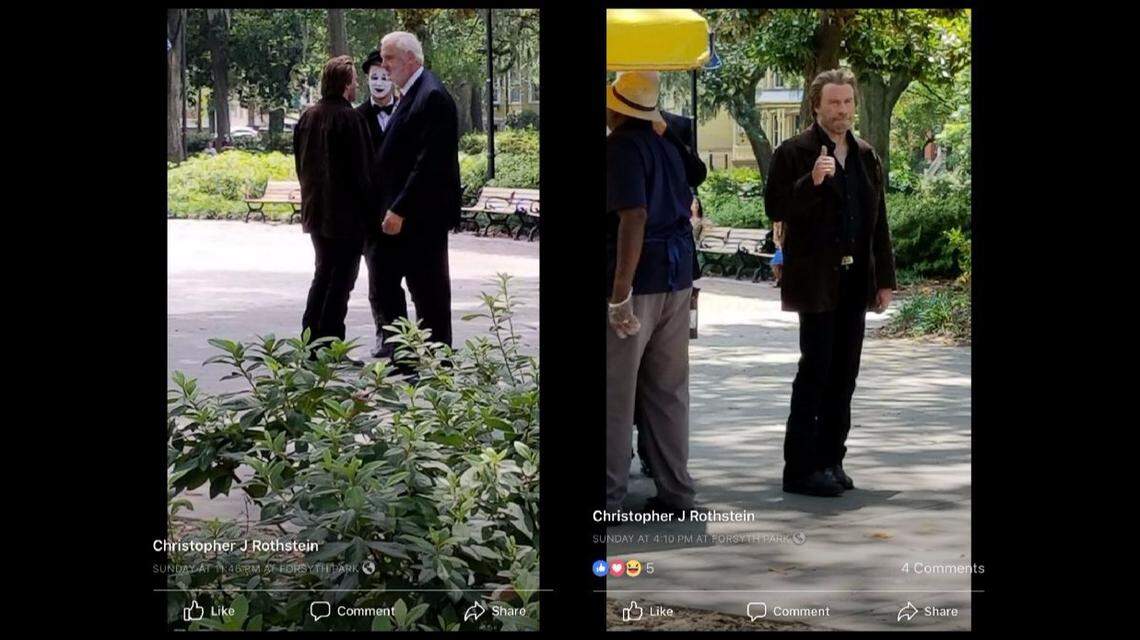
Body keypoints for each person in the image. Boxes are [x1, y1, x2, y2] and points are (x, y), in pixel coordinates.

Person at [764, 68, 897, 497]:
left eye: (848, 103)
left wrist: (884, 280)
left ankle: (831, 459)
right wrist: (812, 182)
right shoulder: (794, 152)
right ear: (816, 106)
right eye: (834, 103)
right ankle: (801, 469)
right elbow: (776, 207)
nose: (842, 110)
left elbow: (879, 223)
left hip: (856, 280)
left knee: (846, 374)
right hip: (816, 279)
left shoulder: (864, 154)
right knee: (816, 371)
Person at [606, 71, 697, 515]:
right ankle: (677, 490)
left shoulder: (620, 148)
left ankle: (608, 496)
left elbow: (634, 215)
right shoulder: (667, 146)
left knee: (615, 391)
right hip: (678, 276)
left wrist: (620, 291)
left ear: (616, 108)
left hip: (640, 281)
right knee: (668, 389)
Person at [370, 31, 461, 351]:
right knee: (388, 281)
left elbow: (429, 164)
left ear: (411, 58)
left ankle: (438, 360)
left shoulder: (431, 95)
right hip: (405, 214)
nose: (384, 64)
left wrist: (400, 209)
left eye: (389, 57)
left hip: (421, 216)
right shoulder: (412, 92)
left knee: (430, 292)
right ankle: (405, 356)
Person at [294, 55, 376, 358]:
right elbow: (362, 172)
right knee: (341, 281)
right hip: (347, 217)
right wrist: (371, 213)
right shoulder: (350, 119)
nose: (357, 86)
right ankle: (329, 345)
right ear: (345, 84)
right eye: (354, 80)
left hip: (316, 212)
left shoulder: (308, 117)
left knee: (322, 274)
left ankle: (309, 340)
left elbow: (300, 165)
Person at [355, 50, 402, 358]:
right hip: (371, 214)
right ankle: (385, 335)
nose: (380, 83)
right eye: (374, 77)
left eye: (385, 76)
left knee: (410, 278)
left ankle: (410, 340)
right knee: (379, 280)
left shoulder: (408, 110)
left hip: (403, 208)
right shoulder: (356, 117)